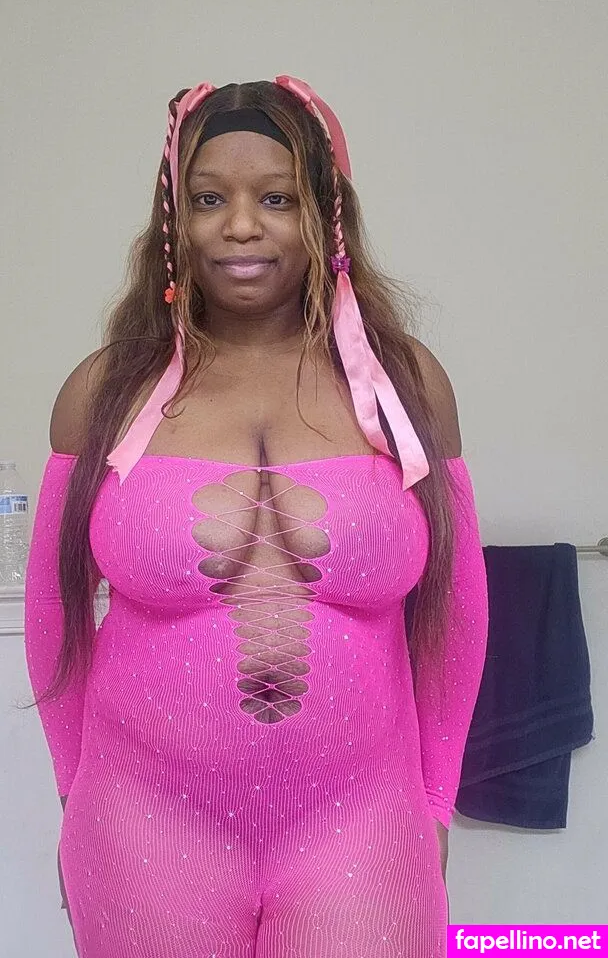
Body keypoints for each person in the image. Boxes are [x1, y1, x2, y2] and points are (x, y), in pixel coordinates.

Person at [24, 75, 489, 958]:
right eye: (210, 199)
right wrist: (72, 796)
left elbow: (457, 611)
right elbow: (54, 613)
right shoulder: (104, 391)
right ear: (175, 219)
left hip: (363, 825)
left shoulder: (404, 386)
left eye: (277, 198)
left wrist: (435, 803)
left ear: (326, 214)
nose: (241, 226)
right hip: (141, 826)